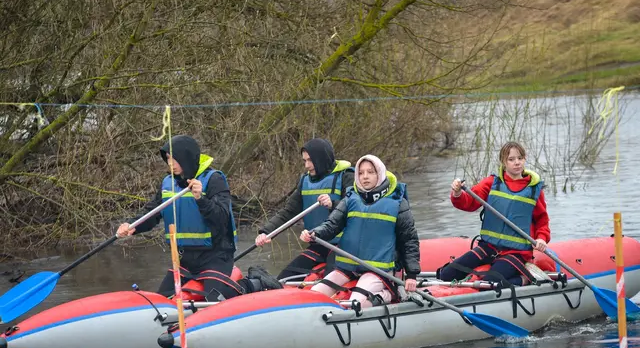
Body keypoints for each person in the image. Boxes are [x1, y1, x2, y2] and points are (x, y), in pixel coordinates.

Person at [117, 135, 281, 301]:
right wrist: (132, 225)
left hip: (216, 256)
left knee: (215, 300)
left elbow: (221, 218)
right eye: (168, 159)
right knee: (162, 301)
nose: (170, 164)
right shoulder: (168, 183)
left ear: (185, 158)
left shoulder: (214, 179)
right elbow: (152, 213)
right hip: (185, 260)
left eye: (174, 159)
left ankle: (254, 283)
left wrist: (201, 199)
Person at [300, 155, 420, 308]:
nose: (365, 177)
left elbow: (409, 240)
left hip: (379, 269)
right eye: (361, 173)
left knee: (356, 303)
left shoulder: (398, 203)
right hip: (348, 266)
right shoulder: (350, 199)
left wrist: (411, 275)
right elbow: (331, 225)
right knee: (315, 295)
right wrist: (314, 233)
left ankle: (390, 293)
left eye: (370, 172)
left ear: (380, 174)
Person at [438, 141, 551, 287]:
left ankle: (525, 279)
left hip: (516, 253)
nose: (517, 163)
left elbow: (542, 220)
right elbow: (469, 203)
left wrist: (541, 238)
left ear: (524, 159)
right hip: (489, 247)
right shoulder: (492, 183)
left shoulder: (534, 189)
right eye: (511, 159)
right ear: (503, 162)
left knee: (489, 284)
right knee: (446, 274)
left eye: (520, 158)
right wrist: (457, 193)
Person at [255, 138, 354, 280]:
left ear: (321, 159)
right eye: (304, 161)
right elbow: (288, 212)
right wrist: (266, 232)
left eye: (310, 160)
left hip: (343, 247)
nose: (307, 165)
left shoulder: (347, 176)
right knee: (283, 278)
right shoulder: (305, 181)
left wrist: (333, 204)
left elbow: (356, 208)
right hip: (318, 244)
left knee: (330, 281)